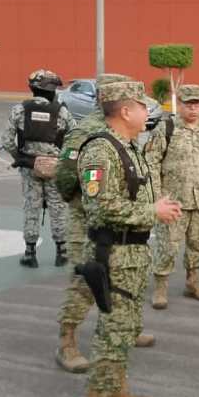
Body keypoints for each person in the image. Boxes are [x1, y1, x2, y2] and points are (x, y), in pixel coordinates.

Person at [75, 80, 181, 397]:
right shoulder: (100, 151)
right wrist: (151, 211)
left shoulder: (128, 147)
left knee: (124, 334)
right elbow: (99, 207)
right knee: (110, 340)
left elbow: (130, 197)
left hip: (133, 256)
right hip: (113, 256)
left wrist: (155, 207)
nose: (146, 112)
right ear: (125, 111)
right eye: (142, 106)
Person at [53, 74, 157, 373]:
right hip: (88, 220)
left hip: (123, 220)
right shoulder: (87, 131)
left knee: (127, 278)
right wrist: (83, 203)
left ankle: (127, 327)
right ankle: (67, 342)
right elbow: (65, 175)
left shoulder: (124, 130)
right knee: (85, 280)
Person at [146, 84, 199, 308]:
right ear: (179, 104)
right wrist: (156, 197)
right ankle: (160, 288)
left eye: (197, 104)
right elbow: (151, 163)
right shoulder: (166, 128)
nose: (193, 108)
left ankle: (193, 283)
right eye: (188, 104)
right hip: (173, 201)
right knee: (168, 246)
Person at [2, 69, 76, 268]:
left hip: (30, 167)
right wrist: (62, 160)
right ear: (52, 90)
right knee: (58, 208)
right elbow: (74, 139)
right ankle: (61, 252)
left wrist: (21, 158)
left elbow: (7, 140)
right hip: (55, 167)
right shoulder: (62, 111)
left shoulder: (19, 110)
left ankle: (30, 253)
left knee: (31, 207)